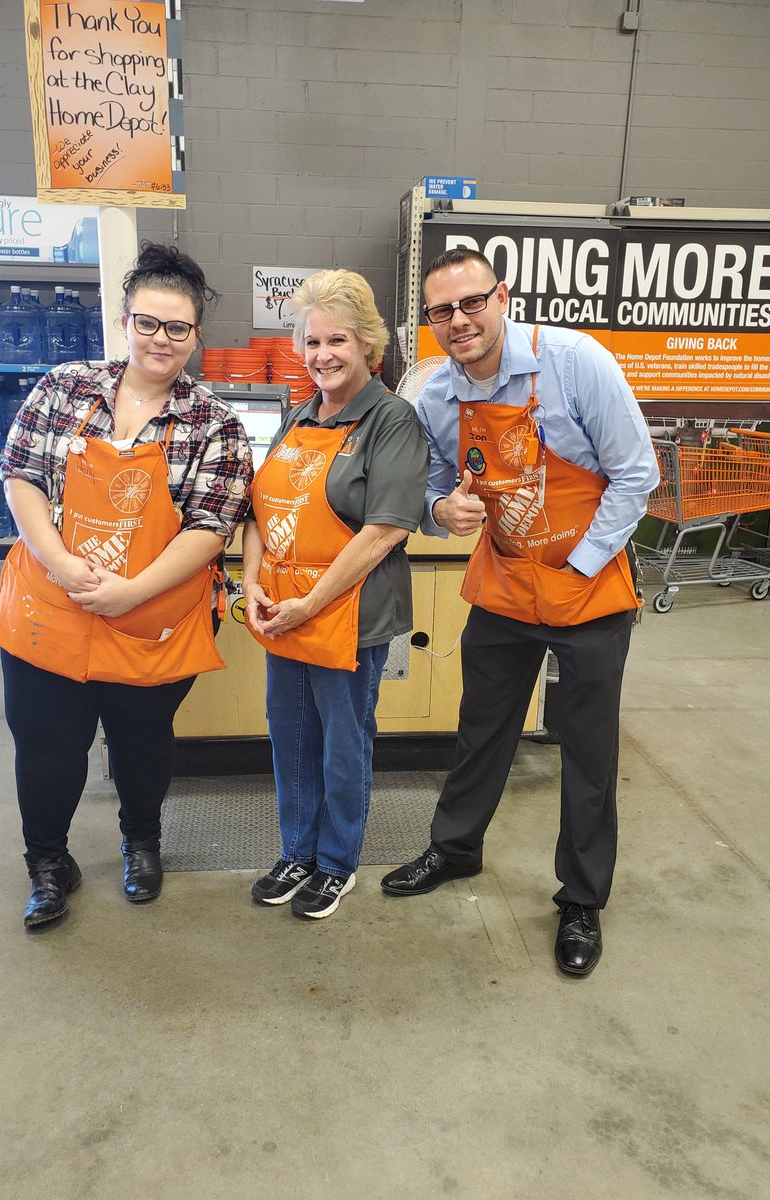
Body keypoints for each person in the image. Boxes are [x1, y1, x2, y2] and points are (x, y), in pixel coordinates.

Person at [380, 248, 659, 975]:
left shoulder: (574, 361)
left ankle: (581, 899)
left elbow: (636, 473)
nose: (460, 321)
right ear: (430, 321)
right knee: (482, 729)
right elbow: (433, 486)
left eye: (472, 302)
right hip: (504, 584)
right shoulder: (435, 394)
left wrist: (585, 560)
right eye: (442, 311)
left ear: (502, 295)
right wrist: (442, 508)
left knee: (588, 750)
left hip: (587, 584)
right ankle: (455, 848)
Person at [0, 242, 254, 930]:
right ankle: (48, 863)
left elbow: (212, 524)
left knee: (142, 745)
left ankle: (143, 842)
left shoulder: (216, 425)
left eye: (177, 327)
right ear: (124, 320)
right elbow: (20, 474)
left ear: (196, 334)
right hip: (49, 609)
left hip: (150, 621)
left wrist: (130, 590)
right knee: (47, 747)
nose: (160, 339)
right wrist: (56, 561)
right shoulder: (64, 387)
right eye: (147, 322)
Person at [242, 269, 429, 919]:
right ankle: (296, 850)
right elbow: (262, 511)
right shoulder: (297, 417)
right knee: (289, 737)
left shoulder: (390, 420)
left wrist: (310, 602)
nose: (322, 354)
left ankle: (335, 862)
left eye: (337, 340)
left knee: (343, 742)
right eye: (312, 341)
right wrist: (253, 585)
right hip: (284, 611)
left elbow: (383, 531)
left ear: (368, 347)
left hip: (348, 615)